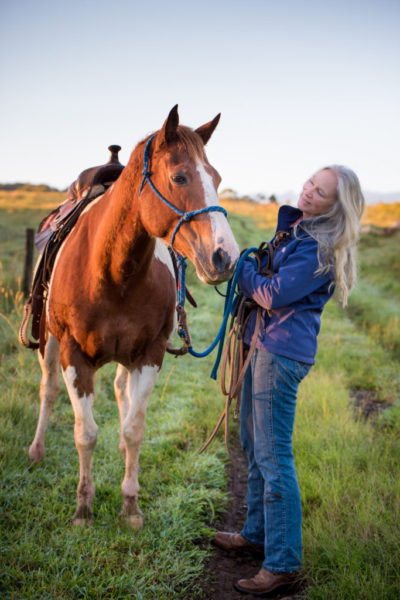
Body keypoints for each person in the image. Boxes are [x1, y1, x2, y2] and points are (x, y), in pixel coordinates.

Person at [213, 165, 365, 596]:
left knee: (275, 455)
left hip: (279, 354)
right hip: (263, 345)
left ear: (336, 207)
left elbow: (272, 293)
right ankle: (257, 534)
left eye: (320, 192)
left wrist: (241, 270)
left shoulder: (319, 246)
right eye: (310, 184)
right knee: (253, 445)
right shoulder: (299, 232)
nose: (309, 192)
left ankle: (282, 564)